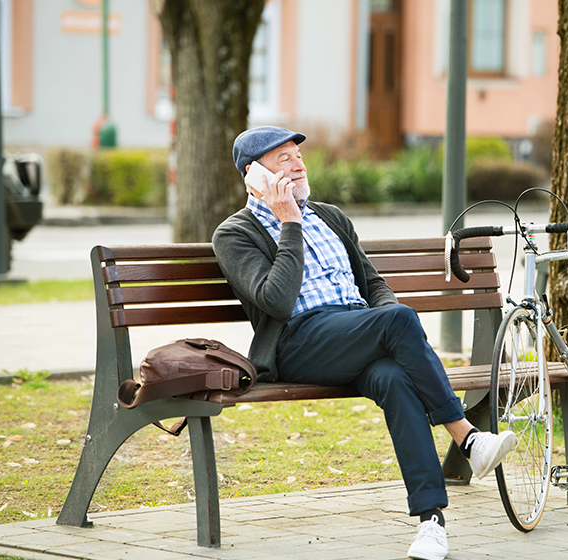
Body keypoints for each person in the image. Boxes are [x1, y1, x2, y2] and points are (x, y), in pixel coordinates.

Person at [212, 126, 516, 560]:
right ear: (253, 176)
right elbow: (276, 301)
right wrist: (289, 224)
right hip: (300, 341)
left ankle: (431, 523)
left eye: (298, 155)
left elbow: (373, 284)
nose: (298, 164)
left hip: (359, 332)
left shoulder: (331, 217)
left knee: (395, 377)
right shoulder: (236, 233)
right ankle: (467, 438)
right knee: (397, 320)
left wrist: (384, 324)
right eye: (283, 159)